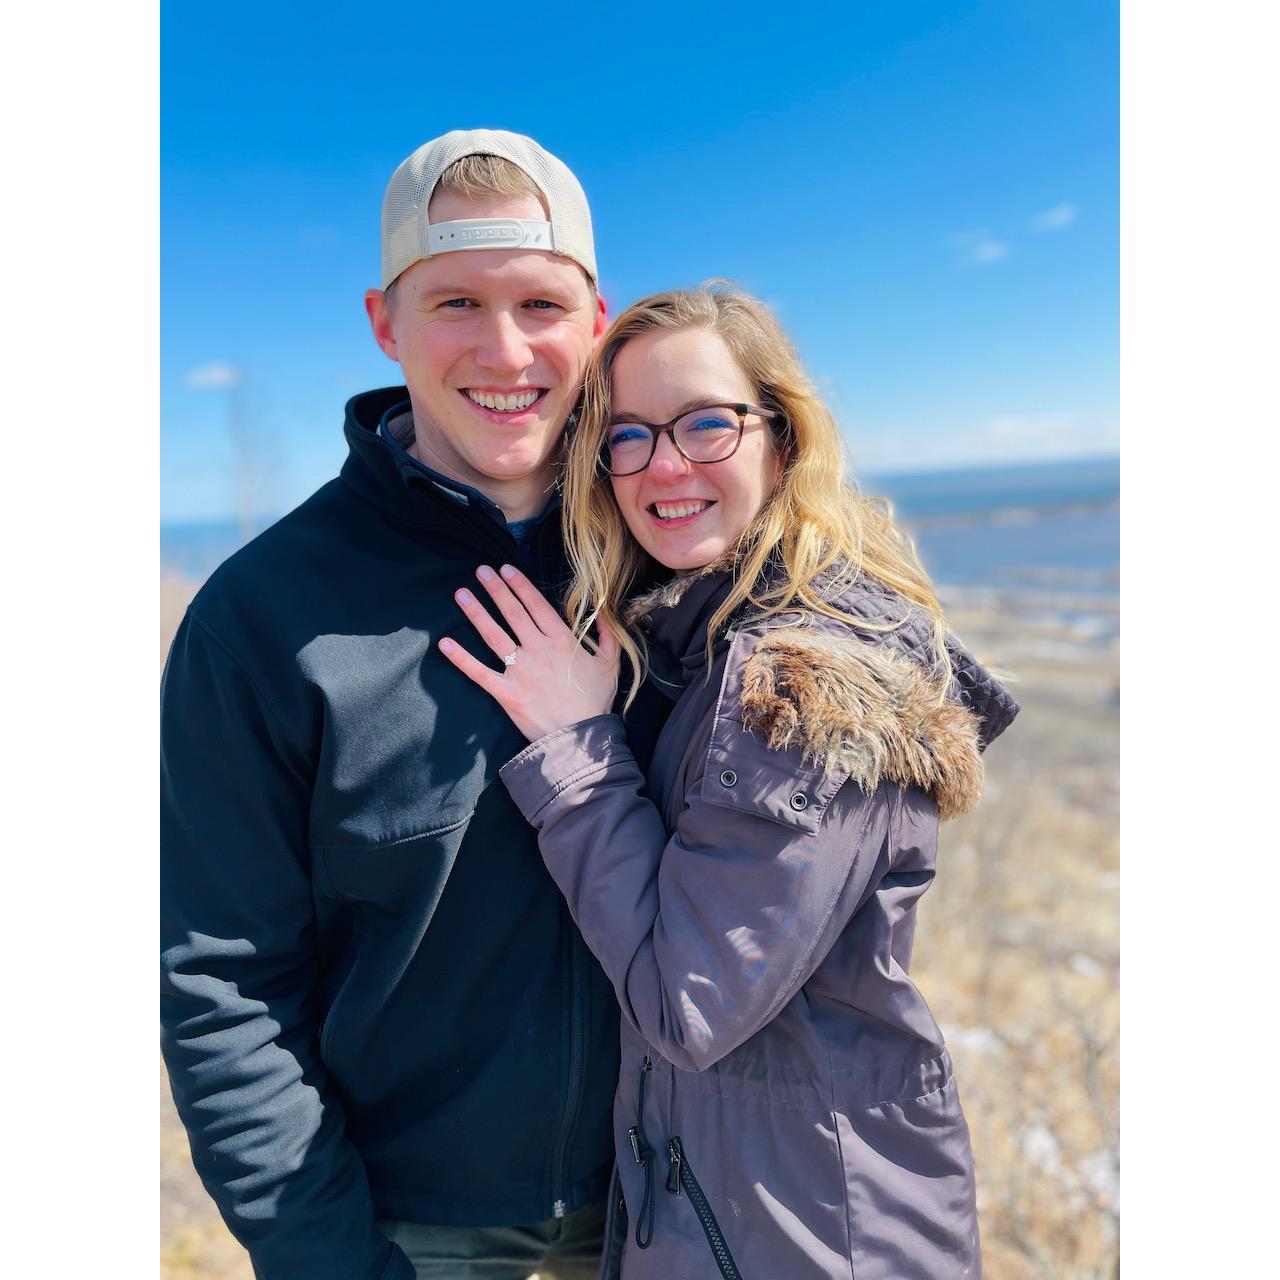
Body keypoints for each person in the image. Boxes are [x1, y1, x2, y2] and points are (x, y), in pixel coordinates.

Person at [160, 130, 664, 1280]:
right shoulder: (264, 619)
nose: (504, 348)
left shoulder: (666, 558)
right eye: (453, 303)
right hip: (417, 1238)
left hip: (677, 1200)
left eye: (540, 301)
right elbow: (220, 984)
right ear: (384, 323)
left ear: (597, 320)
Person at [440, 284, 1020, 1278]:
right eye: (627, 435)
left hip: (806, 1235)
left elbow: (688, 1003)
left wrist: (577, 746)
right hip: (748, 1209)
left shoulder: (800, 682)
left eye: (706, 422)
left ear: (781, 438)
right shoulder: (704, 645)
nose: (663, 463)